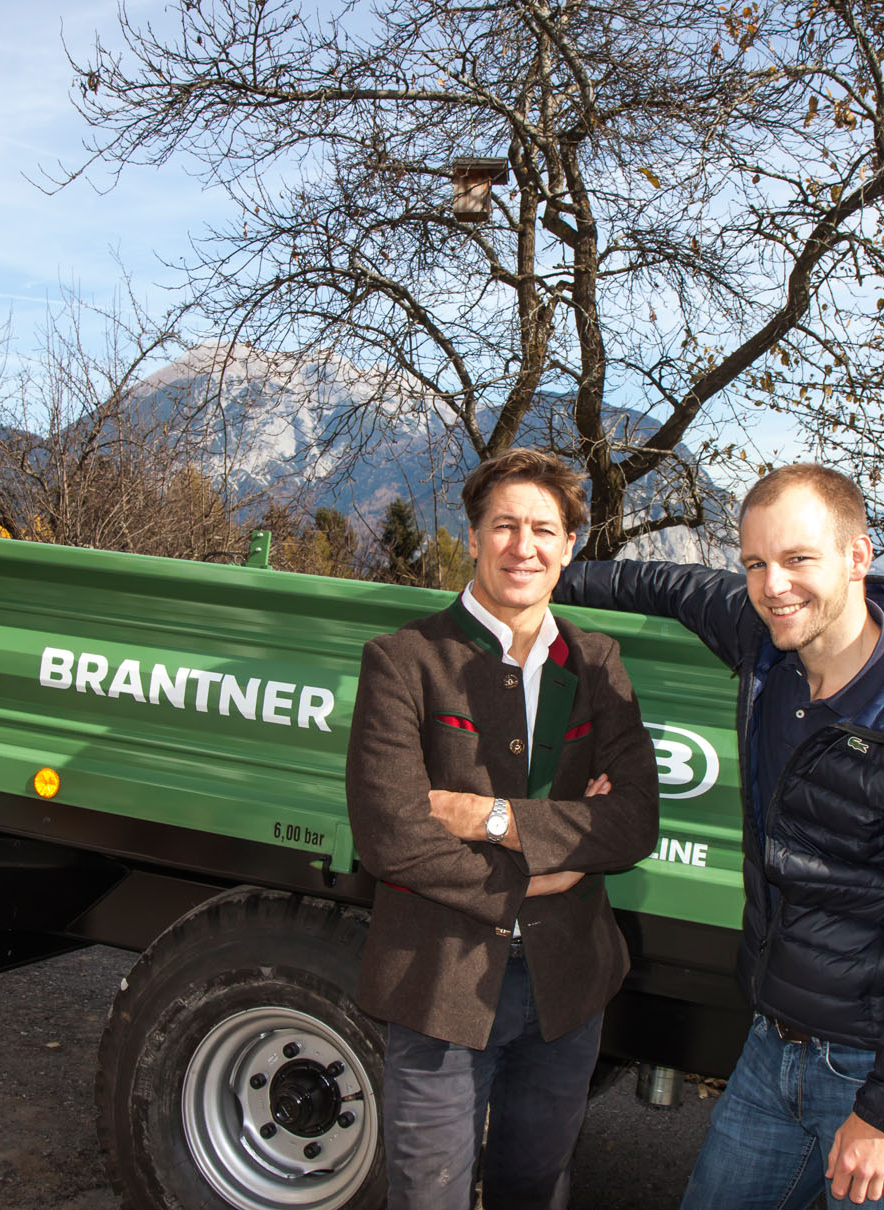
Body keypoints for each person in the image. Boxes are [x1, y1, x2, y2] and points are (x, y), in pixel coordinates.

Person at [556, 464, 884, 1209]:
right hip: (772, 1048)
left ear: (856, 556)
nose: (773, 584)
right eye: (754, 563)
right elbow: (663, 585)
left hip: (876, 1076)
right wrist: (543, 573)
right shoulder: (767, 645)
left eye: (797, 559)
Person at [346, 448, 660, 1210]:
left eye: (544, 529)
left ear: (568, 546)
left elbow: (631, 823)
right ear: (475, 535)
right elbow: (390, 835)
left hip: (567, 988)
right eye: (506, 526)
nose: (525, 546)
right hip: (438, 983)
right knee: (429, 1196)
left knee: (534, 1189)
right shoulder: (403, 661)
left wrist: (485, 817)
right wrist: (556, 859)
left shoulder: (596, 663)